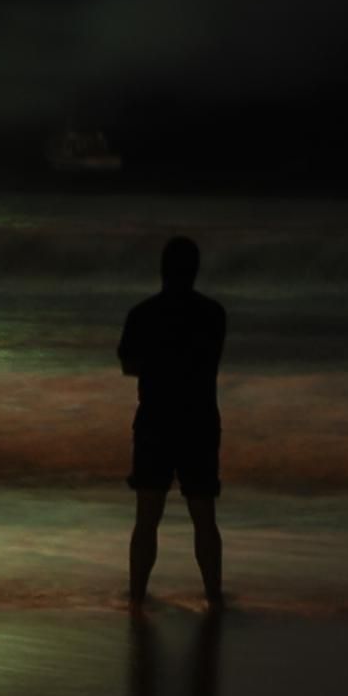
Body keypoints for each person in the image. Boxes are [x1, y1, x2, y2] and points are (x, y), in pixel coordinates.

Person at [118, 233, 225, 607]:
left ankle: (136, 597)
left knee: (147, 516)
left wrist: (157, 365)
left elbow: (129, 365)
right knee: (203, 515)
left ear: (162, 270)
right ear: (195, 271)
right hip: (199, 421)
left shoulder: (142, 314)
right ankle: (214, 597)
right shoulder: (213, 315)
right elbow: (210, 360)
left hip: (155, 421)